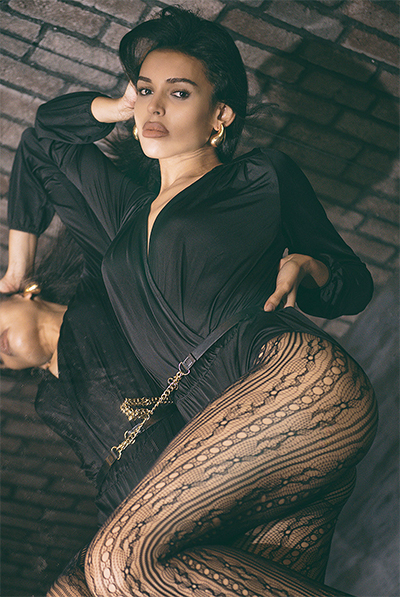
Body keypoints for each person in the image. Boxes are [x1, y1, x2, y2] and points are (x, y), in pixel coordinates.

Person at [1, 7, 378, 596]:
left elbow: (353, 285)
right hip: (229, 436)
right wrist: (17, 269)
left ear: (220, 115)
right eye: (145, 90)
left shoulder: (259, 176)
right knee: (73, 590)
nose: (154, 108)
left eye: (178, 93)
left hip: (296, 388)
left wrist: (311, 267)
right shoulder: (121, 218)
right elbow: (43, 141)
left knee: (119, 563)